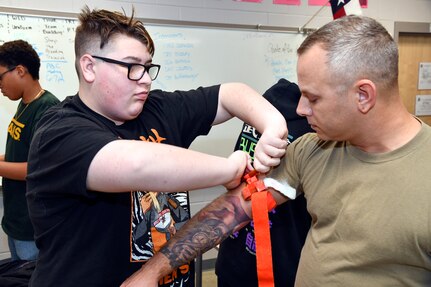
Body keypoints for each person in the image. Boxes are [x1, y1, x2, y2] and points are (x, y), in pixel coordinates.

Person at [124, 15, 431, 287]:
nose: (300, 108)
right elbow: (235, 210)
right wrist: (151, 272)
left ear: (363, 96)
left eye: (313, 98)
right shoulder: (314, 149)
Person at [25, 6, 288, 287]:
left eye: (148, 67)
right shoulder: (58, 130)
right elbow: (136, 164)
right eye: (132, 67)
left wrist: (273, 125)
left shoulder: (157, 108)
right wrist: (228, 168)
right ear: (90, 67)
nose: (146, 79)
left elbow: (230, 94)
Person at [215, 78, 313, 287]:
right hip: (280, 263)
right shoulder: (310, 129)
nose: (305, 108)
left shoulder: (263, 111)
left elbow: (236, 180)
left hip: (235, 255)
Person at [0, 40, 60, 261]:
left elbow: (37, 168)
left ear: (20, 71)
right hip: (16, 220)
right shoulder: (24, 103)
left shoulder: (47, 108)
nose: (0, 85)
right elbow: (22, 152)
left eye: (0, 77)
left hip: (31, 226)